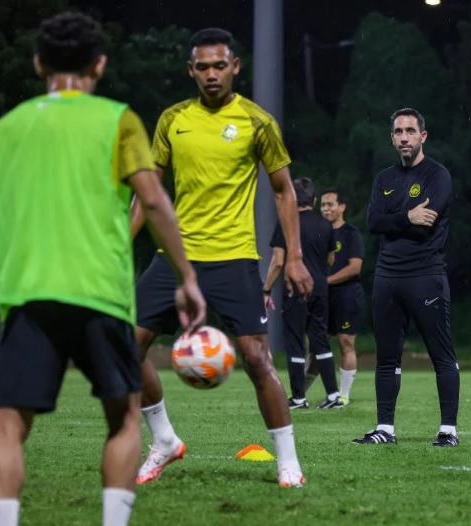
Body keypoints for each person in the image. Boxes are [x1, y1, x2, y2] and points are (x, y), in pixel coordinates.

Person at [0, 12, 206, 526]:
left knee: (9, 426)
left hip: (28, 298)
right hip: (100, 296)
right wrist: (187, 277)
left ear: (39, 62)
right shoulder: (118, 120)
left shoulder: (6, 127)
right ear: (100, 64)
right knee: (124, 418)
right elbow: (153, 200)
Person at [129, 27, 313, 488]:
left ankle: (288, 460)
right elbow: (148, 193)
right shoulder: (172, 119)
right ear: (191, 71)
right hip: (175, 258)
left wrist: (294, 258)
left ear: (235, 67)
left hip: (233, 257)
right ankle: (165, 441)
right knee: (123, 348)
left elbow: (284, 191)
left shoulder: (257, 121)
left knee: (255, 357)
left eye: (219, 65)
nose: (211, 74)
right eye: (202, 67)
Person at [352, 108, 460, 447]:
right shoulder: (384, 178)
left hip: (425, 276)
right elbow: (373, 222)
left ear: (422, 136)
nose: (404, 137)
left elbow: (425, 223)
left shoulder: (437, 175)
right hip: (387, 277)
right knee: (386, 357)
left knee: (441, 355)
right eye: (398, 132)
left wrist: (395, 218)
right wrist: (406, 216)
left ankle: (448, 431)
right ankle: (385, 429)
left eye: (410, 131)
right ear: (392, 138)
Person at [263, 178, 343, 410]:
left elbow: (278, 262)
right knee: (320, 341)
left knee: (295, 343)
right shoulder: (326, 225)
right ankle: (334, 395)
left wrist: (266, 289)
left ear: (293, 199)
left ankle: (298, 398)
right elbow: (330, 259)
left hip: (295, 290)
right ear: (314, 200)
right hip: (320, 289)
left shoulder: (288, 224)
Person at [310, 188, 365, 405]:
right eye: (322, 205)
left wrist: (325, 281)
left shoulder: (351, 234)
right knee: (315, 346)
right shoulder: (317, 234)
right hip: (320, 298)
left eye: (330, 204)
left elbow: (355, 268)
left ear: (342, 207)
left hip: (346, 295)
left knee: (345, 343)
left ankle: (343, 395)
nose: (325, 209)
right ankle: (299, 395)